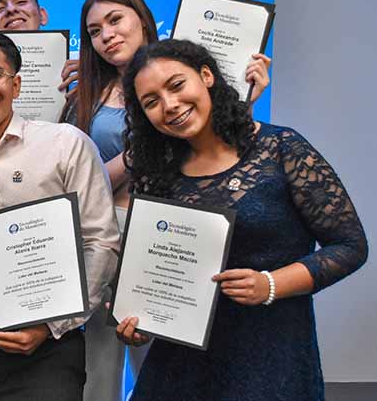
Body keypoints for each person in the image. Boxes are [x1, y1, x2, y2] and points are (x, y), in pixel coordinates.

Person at [115, 39, 368, 401]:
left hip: (271, 361)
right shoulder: (156, 176)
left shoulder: (281, 149)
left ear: (206, 76)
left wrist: (272, 284)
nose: (169, 106)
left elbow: (351, 246)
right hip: (178, 373)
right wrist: (141, 324)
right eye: (151, 102)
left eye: (176, 85)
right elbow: (157, 277)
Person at [59, 0, 271, 386]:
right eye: (94, 31)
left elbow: (215, 153)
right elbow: (76, 187)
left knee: (166, 363)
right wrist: (138, 155)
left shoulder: (182, 85)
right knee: (99, 366)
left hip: (170, 235)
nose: (107, 35)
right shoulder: (83, 96)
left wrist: (244, 99)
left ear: (143, 19)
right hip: (105, 232)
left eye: (116, 20)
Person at [0, 29, 119, 400]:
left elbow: (101, 242)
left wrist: (51, 326)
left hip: (48, 352)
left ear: (16, 85)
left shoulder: (65, 145)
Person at [0, 0, 124, 400]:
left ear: (43, 14)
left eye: (21, 1)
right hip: (24, 243)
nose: (11, 10)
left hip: (97, 224)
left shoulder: (83, 79)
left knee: (113, 363)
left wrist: (94, 77)